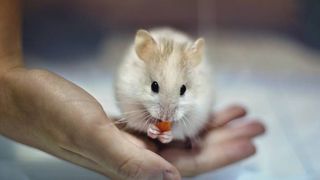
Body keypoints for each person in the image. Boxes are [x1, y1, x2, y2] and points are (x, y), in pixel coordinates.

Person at [0, 0, 265, 179]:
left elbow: (195, 114)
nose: (166, 112)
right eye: (155, 88)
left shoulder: (198, 77)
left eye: (182, 91)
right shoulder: (133, 72)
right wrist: (145, 126)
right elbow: (131, 107)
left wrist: (179, 131)